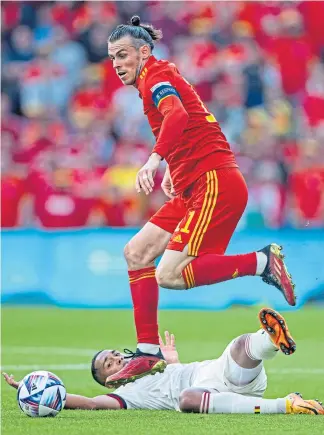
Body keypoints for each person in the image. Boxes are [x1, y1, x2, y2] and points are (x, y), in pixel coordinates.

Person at [105, 15, 296, 387]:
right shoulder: (158, 75)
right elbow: (192, 121)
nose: (117, 65)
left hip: (213, 182)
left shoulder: (155, 78)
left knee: (169, 275)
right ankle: (148, 350)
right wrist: (178, 164)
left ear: (143, 52)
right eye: (113, 58)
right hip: (195, 182)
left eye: (123, 55)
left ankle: (262, 262)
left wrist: (157, 158)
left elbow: (175, 115)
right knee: (137, 253)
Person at [3, 308, 323, 415]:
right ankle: (286, 404)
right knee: (186, 399)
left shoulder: (155, 362)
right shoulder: (124, 395)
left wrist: (172, 363)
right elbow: (88, 403)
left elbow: (176, 371)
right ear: (108, 380)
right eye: (109, 364)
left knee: (241, 345)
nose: (116, 358)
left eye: (114, 354)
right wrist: (35, 391)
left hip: (219, 377)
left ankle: (271, 340)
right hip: (204, 396)